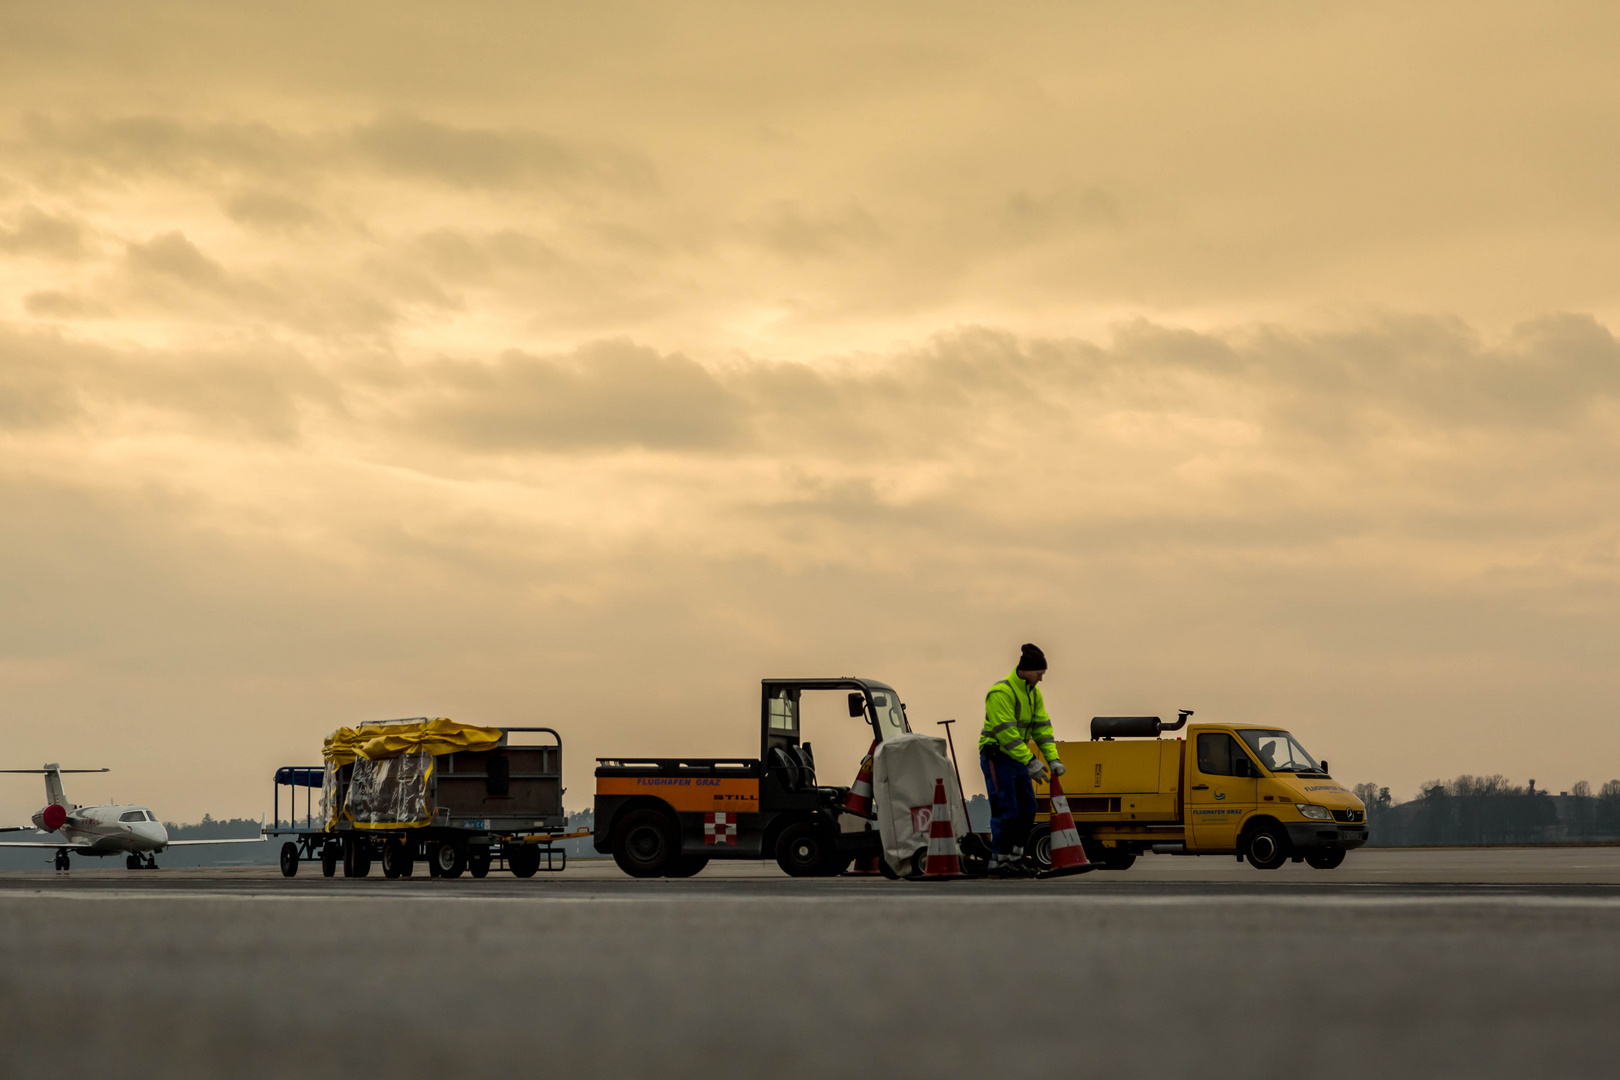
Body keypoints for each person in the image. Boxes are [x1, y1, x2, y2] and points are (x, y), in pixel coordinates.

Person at [978, 643, 1064, 876]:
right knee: (1006, 809)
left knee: (1027, 808)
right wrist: (1030, 761)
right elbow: (1007, 733)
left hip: (1016, 759)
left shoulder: (1033, 694)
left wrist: (1052, 759)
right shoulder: (1001, 693)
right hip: (997, 756)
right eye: (1039, 674)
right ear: (1026, 670)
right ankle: (1000, 861)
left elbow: (1042, 730)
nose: (1041, 679)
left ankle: (1015, 857)